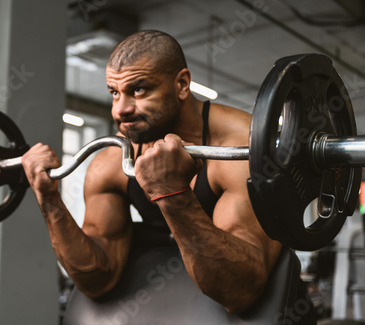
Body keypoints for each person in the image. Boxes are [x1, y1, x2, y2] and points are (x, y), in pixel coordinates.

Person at [22, 30, 311, 316]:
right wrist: (48, 199)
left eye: (139, 89)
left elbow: (239, 292)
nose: (120, 109)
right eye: (114, 92)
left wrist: (172, 194)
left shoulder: (242, 148)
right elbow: (98, 278)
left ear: (182, 84)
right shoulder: (111, 162)